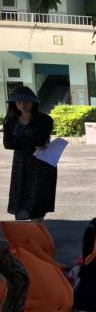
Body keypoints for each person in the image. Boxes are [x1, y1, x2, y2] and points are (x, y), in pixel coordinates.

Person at [2, 85, 56, 221]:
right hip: (21, 165)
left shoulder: (45, 119)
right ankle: (33, 231)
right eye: (18, 101)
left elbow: (41, 140)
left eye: (26, 101)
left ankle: (38, 229)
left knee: (38, 202)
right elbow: (8, 144)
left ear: (33, 102)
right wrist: (32, 141)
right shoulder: (10, 121)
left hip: (41, 163)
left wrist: (19, 141)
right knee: (22, 200)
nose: (22, 104)